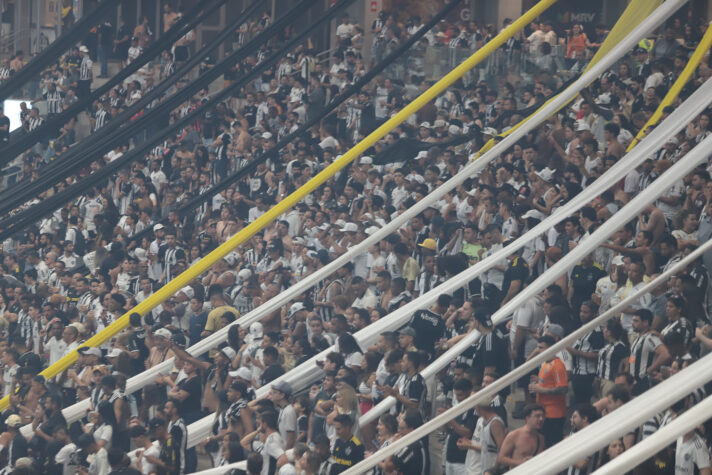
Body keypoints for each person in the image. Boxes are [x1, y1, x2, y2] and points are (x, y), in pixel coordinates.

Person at [528, 336, 567, 447]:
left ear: (551, 348)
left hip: (554, 414)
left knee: (551, 444)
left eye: (541, 348)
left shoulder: (557, 365)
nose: (538, 351)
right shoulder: (545, 363)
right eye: (537, 347)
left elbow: (563, 388)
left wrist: (541, 389)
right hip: (544, 411)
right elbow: (550, 382)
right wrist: (539, 381)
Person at [497, 404, 545, 469]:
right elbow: (501, 458)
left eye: (542, 416)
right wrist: (520, 462)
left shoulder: (540, 438)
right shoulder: (514, 435)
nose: (541, 419)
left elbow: (540, 459)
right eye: (537, 416)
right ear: (527, 418)